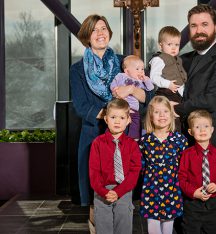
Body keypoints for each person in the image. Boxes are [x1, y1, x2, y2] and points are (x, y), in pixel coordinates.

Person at [69, 14, 152, 231]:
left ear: (109, 33)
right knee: (96, 193)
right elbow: (81, 106)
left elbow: (149, 96)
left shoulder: (125, 62)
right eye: (94, 30)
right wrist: (112, 116)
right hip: (93, 135)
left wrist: (133, 89)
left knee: (123, 192)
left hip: (124, 137)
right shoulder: (77, 70)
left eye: (103, 28)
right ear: (87, 36)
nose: (100, 33)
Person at [173, 4, 216, 233]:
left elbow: (213, 99)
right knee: (185, 200)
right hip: (183, 138)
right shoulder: (182, 60)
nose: (198, 30)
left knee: (214, 204)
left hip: (211, 139)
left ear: (215, 27)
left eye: (204, 24)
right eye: (193, 25)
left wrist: (178, 108)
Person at [89, 98, 141, 234]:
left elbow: (135, 171)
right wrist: (103, 191)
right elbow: (93, 172)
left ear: (128, 120)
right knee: (103, 228)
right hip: (102, 192)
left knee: (123, 227)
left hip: (124, 190)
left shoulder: (132, 145)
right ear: (106, 119)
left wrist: (119, 191)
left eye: (122, 117)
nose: (117, 121)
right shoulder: (97, 143)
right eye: (113, 117)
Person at [139, 96, 188, 234]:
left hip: (172, 189)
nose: (162, 115)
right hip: (151, 190)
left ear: (171, 114)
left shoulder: (179, 140)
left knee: (168, 227)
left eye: (166, 111)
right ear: (150, 116)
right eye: (157, 112)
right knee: (152, 226)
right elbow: (141, 165)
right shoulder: (145, 141)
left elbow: (184, 165)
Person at [178, 109, 216, 234]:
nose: (202, 130)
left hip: (214, 205)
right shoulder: (187, 154)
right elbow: (181, 178)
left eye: (206, 126)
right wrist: (193, 192)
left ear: (212, 129)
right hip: (192, 205)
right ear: (191, 132)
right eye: (197, 127)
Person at [149, 26, 187, 131]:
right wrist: (167, 84)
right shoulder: (159, 59)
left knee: (178, 120)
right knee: (169, 121)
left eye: (176, 45)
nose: (174, 48)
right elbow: (154, 77)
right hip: (166, 93)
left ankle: (178, 142)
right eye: (169, 44)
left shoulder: (178, 60)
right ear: (161, 45)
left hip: (177, 95)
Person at [111, 55, 154, 139]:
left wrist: (146, 80)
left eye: (142, 69)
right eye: (137, 69)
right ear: (127, 71)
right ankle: (116, 138)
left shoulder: (141, 81)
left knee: (136, 122)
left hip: (134, 109)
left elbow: (150, 88)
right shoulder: (121, 76)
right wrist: (114, 90)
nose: (141, 71)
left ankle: (134, 138)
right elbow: (114, 83)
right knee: (118, 122)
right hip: (121, 107)